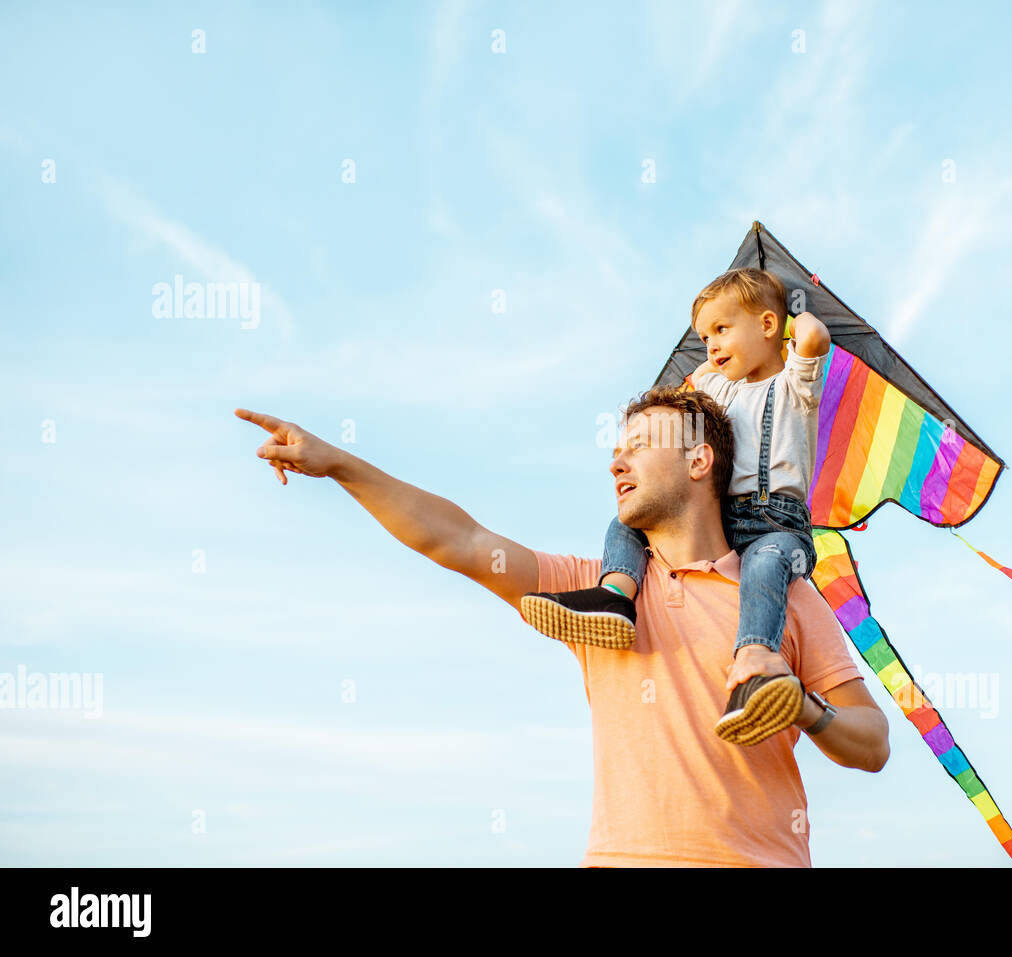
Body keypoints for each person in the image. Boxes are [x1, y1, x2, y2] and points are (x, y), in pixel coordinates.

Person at [234, 388, 889, 867]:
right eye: (615, 450)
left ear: (699, 462)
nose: (617, 462)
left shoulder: (784, 599)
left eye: (639, 445)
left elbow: (874, 742)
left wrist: (800, 705)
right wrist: (342, 464)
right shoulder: (596, 599)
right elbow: (458, 539)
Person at [520, 268, 831, 747]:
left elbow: (813, 336)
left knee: (765, 567)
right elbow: (684, 396)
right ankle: (616, 595)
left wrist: (795, 303)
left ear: (769, 326)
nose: (710, 344)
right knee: (627, 524)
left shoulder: (794, 385)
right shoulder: (718, 388)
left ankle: (756, 664)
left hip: (776, 524)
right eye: (705, 335)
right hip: (724, 519)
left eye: (722, 329)